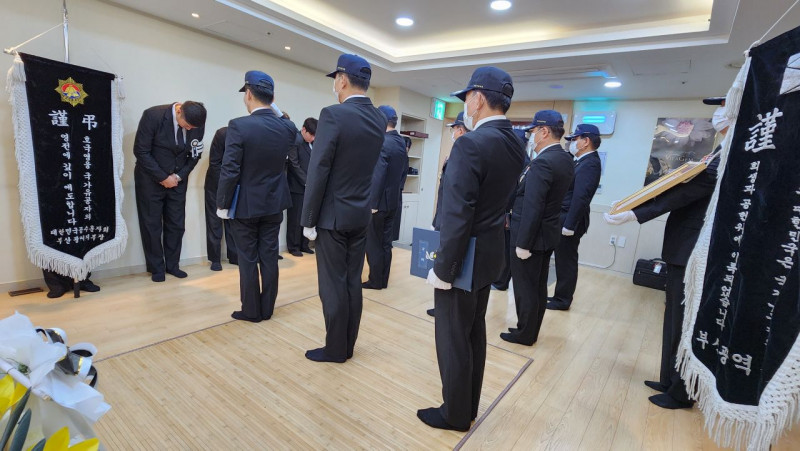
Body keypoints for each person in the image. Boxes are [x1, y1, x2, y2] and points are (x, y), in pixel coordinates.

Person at [418, 67, 525, 432]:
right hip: (489, 252)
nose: (465, 104)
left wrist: (443, 269)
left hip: (462, 258)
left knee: (452, 337)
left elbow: (458, 212)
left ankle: (454, 413)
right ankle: (467, 406)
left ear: (478, 98)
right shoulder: (515, 142)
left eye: (466, 98)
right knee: (473, 331)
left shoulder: (471, 143)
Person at [604, 96, 727, 409]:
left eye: (726, 105)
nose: (719, 113)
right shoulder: (719, 150)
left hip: (693, 250)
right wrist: (635, 207)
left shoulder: (730, 155)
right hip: (682, 248)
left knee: (684, 321)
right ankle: (668, 378)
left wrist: (636, 212)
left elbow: (688, 191)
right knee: (673, 315)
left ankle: (681, 390)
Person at [301, 54, 387, 363]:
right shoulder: (379, 118)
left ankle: (336, 349)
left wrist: (308, 219)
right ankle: (348, 345)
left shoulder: (333, 115)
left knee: (332, 286)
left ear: (342, 80)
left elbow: (319, 169)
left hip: (332, 216)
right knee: (352, 281)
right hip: (360, 214)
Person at [216, 71, 295, 323]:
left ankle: (251, 310)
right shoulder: (287, 128)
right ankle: (267, 308)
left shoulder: (239, 125)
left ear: (248, 94)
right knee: (269, 256)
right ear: (272, 98)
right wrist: (274, 107)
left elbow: (230, 169)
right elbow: (287, 122)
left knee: (248, 258)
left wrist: (222, 203)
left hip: (246, 205)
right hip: (274, 203)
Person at [501, 110, 574, 346]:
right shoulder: (564, 158)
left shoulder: (544, 162)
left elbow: (534, 205)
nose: (531, 137)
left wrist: (523, 243)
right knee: (537, 286)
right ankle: (529, 329)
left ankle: (525, 333)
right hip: (546, 234)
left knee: (525, 287)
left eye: (533, 132)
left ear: (544, 131)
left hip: (530, 237)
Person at [133, 100, 207, 282]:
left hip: (178, 180)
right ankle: (156, 268)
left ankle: (173, 265)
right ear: (179, 111)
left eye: (193, 128)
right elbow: (141, 151)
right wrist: (163, 177)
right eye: (187, 125)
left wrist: (179, 176)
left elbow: (195, 154)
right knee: (151, 224)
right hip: (150, 179)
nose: (190, 129)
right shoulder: (153, 116)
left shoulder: (197, 122)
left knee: (176, 223)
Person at [546, 124, 603, 311]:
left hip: (570, 220)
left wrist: (570, 225)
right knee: (561, 260)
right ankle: (558, 295)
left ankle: (562, 299)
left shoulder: (590, 163)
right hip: (564, 216)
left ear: (586, 141)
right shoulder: (581, 161)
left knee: (566, 261)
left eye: (574, 139)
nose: (571, 143)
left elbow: (581, 197)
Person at [427, 111, 468, 317]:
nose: (453, 133)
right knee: (442, 262)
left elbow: (453, 195)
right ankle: (442, 306)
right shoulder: (456, 154)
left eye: (454, 129)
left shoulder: (463, 154)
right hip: (444, 218)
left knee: (446, 262)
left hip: (450, 221)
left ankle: (445, 308)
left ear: (460, 130)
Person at [363, 105, 408, 289]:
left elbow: (378, 174)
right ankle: (383, 279)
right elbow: (404, 171)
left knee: (373, 243)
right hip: (393, 202)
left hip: (379, 203)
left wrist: (372, 203)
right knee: (386, 243)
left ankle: (375, 280)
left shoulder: (382, 142)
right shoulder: (401, 142)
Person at [204, 127, 238, 271]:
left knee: (233, 221)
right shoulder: (222, 134)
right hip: (216, 184)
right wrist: (226, 186)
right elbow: (215, 164)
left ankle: (235, 256)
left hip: (235, 184)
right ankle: (215, 259)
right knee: (214, 222)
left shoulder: (247, 137)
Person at [286, 117, 318, 257]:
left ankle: (304, 244)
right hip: (297, 186)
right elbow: (294, 164)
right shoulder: (296, 140)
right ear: (304, 130)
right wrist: (306, 182)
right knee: (295, 218)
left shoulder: (313, 142)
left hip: (310, 187)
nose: (313, 138)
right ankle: (293, 246)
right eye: (311, 135)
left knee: (307, 217)